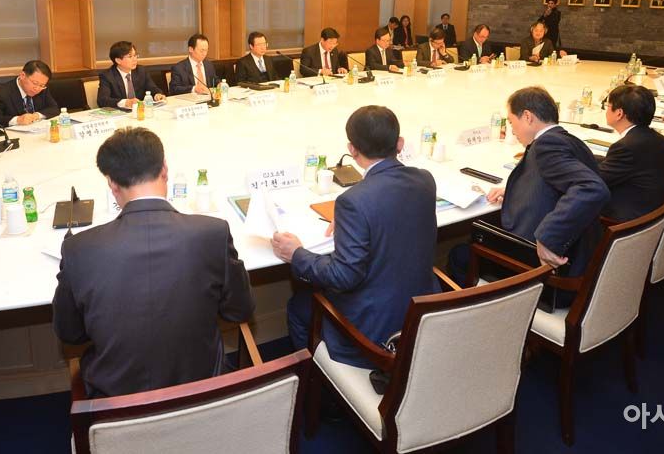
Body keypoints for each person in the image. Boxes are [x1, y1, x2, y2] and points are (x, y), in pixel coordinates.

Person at [52, 128, 254, 398]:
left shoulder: (79, 249)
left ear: (112, 183)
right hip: (202, 394)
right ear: (165, 170)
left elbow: (70, 334)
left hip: (117, 403)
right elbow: (239, 311)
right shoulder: (212, 233)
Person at [271, 106, 439, 368]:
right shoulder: (425, 180)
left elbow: (343, 276)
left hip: (374, 334)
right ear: (400, 143)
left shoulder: (354, 201)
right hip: (422, 315)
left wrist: (297, 254)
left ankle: (319, 380)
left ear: (352, 150)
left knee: (298, 306)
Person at [448, 87, 609, 283]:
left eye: (511, 122)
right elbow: (555, 183)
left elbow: (592, 188)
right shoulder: (570, 140)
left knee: (459, 255)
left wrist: (548, 237)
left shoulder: (547, 146)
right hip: (582, 256)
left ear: (527, 116)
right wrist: (515, 190)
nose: (512, 130)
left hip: (549, 265)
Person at [597, 85, 664, 221]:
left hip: (628, 220)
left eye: (608, 106)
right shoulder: (658, 138)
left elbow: (596, 180)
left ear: (619, 113)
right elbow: (613, 165)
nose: (606, 110)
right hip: (655, 212)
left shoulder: (626, 147)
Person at [0, 60, 60, 128]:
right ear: (22, 75)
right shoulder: (2, 92)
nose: (37, 88)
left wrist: (36, 115)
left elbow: (54, 108)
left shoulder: (42, 89)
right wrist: (17, 120)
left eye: (42, 85)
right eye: (35, 83)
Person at [97, 41, 165, 110]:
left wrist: (157, 94)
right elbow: (102, 100)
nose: (135, 59)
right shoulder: (107, 76)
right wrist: (126, 102)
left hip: (141, 111)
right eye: (130, 56)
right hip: (121, 113)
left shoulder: (141, 71)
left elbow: (152, 88)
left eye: (135, 55)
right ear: (118, 60)